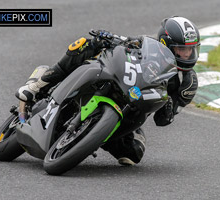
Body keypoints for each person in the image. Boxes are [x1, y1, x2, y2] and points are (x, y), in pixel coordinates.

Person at [15, 16, 200, 166]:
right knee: (86, 44)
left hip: (132, 108)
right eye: (181, 50)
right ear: (165, 43)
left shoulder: (187, 83)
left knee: (134, 154)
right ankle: (39, 83)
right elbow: (127, 44)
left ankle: (92, 135)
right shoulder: (149, 48)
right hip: (118, 82)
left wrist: (168, 106)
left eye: (190, 51)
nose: (186, 55)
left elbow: (162, 120)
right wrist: (109, 38)